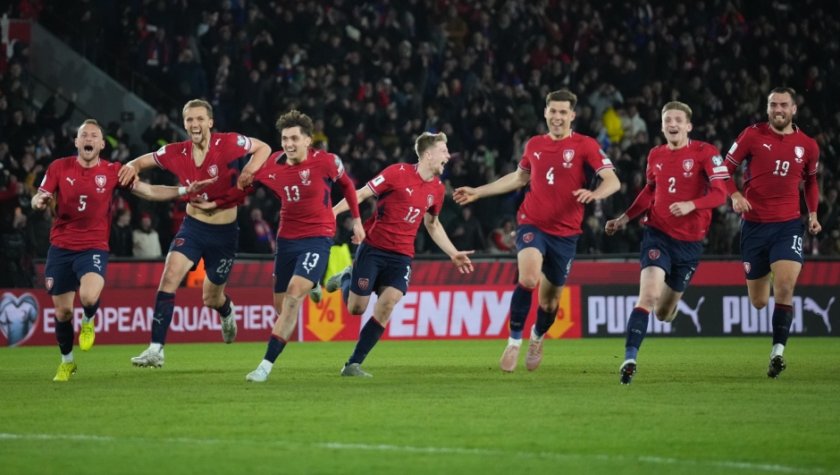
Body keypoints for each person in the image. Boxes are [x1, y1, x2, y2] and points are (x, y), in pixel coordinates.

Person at [31, 119, 214, 381]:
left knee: (89, 297)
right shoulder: (59, 167)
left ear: (102, 144)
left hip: (93, 247)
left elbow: (148, 191)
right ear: (76, 141)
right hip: (60, 247)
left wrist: (184, 190)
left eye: (94, 136)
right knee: (63, 312)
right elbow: (38, 196)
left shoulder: (113, 171)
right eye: (84, 135)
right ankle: (67, 362)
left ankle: (89, 320)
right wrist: (39, 201)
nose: (89, 139)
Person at [453, 89, 620, 373]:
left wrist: (595, 194)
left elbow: (612, 181)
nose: (557, 117)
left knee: (550, 301)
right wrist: (478, 192)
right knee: (529, 278)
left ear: (572, 115)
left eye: (563, 112)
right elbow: (519, 178)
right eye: (553, 111)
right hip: (532, 223)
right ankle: (513, 342)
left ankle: (537, 337)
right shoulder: (534, 144)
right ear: (545, 112)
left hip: (566, 234)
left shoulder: (586, 145)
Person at [192, 109, 364, 382]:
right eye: (285, 139)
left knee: (294, 295)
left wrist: (356, 221)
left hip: (318, 237)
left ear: (308, 140)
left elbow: (348, 186)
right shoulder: (271, 164)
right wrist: (214, 202)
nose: (289, 144)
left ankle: (264, 366)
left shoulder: (327, 162)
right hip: (287, 240)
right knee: (281, 307)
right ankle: (315, 281)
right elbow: (243, 189)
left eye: (294, 138)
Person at [117, 99, 272, 368]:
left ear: (210, 122)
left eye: (200, 119)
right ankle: (156, 349)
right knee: (170, 276)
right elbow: (140, 162)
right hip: (193, 227)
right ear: (184, 124)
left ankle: (226, 309)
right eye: (189, 119)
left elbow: (264, 147)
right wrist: (130, 166)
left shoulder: (229, 143)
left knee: (211, 298)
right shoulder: (175, 152)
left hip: (224, 234)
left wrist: (248, 170)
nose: (195, 124)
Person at [324, 131, 474, 377]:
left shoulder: (437, 189)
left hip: (402, 256)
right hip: (373, 248)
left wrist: (453, 252)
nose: (448, 156)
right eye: (444, 151)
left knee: (387, 304)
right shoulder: (397, 173)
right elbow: (360, 194)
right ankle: (346, 278)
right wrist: (332, 213)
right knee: (356, 309)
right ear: (428, 154)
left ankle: (353, 364)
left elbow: (433, 224)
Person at [604, 101, 729, 384]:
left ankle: (669, 309)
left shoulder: (706, 153)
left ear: (688, 126)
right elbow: (650, 191)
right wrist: (624, 218)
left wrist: (691, 205)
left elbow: (720, 194)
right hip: (657, 234)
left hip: (690, 243)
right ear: (662, 126)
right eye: (667, 120)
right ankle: (629, 359)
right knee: (648, 296)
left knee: (662, 313)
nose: (672, 124)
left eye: (678, 120)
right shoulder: (655, 155)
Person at [725, 87, 822, 378]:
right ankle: (768, 268)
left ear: (794, 109)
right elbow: (724, 170)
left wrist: (813, 214)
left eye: (783, 105)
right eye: (773, 105)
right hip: (754, 226)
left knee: (785, 287)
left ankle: (777, 352)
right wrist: (735, 195)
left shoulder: (808, 145)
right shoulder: (751, 135)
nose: (778, 109)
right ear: (767, 108)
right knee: (759, 302)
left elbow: (811, 182)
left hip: (788, 225)